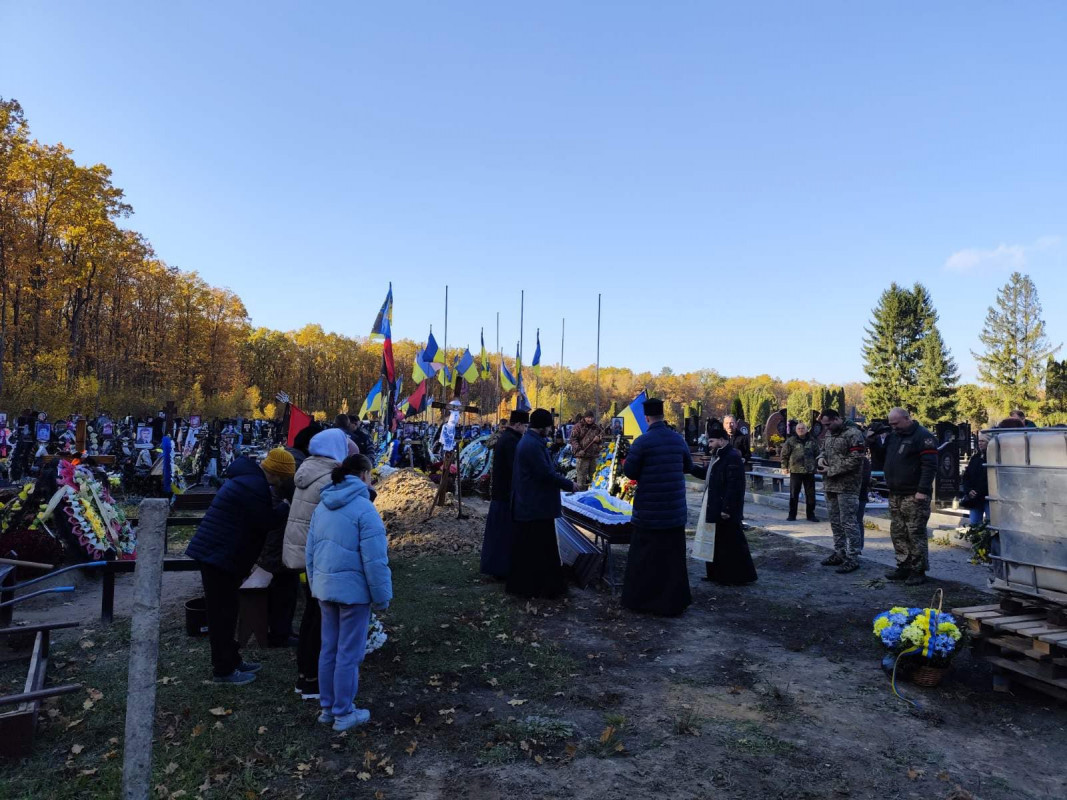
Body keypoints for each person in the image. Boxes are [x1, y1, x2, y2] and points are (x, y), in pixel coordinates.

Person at [186, 448, 295, 684]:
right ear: (276, 475)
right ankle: (223, 670)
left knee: (229, 610)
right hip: (218, 556)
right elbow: (265, 522)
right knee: (221, 615)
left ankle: (233, 659)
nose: (283, 483)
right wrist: (285, 506)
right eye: (285, 478)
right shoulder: (255, 487)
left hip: (221, 554)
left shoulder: (249, 480)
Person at [305, 454, 392, 732]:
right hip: (354, 594)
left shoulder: (322, 506)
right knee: (348, 654)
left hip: (325, 589)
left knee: (328, 648)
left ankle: (328, 708)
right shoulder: (365, 509)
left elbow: (310, 551)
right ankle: (344, 712)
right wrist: (382, 597)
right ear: (365, 475)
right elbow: (375, 560)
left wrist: (315, 584)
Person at [283, 428, 350, 700]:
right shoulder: (329, 477)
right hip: (320, 556)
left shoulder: (308, 469)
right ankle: (312, 679)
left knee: (312, 615)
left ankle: (305, 676)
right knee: (319, 619)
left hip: (304, 554)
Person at [620, 398, 696, 615]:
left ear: (646, 418)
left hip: (650, 512)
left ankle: (643, 601)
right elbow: (688, 466)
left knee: (646, 559)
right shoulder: (677, 439)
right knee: (672, 560)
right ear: (663, 416)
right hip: (673, 511)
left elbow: (631, 472)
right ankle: (673, 603)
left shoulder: (642, 442)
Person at [507, 408, 576, 599]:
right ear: (543, 427)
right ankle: (539, 587)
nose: (550, 431)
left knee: (535, 549)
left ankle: (536, 586)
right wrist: (571, 484)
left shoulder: (532, 441)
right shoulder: (531, 445)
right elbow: (545, 474)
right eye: (549, 427)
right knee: (538, 551)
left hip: (533, 504)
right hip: (534, 506)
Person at [693, 424, 757, 585]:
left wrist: (727, 509)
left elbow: (734, 486)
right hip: (714, 505)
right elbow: (706, 474)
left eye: (712, 441)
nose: (709, 445)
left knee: (731, 544)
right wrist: (688, 466)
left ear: (722, 440)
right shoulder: (718, 456)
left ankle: (737, 577)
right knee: (716, 542)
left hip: (726, 509)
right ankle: (716, 574)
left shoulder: (731, 457)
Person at [882, 407, 938, 585]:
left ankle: (918, 570)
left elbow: (929, 466)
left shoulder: (923, 437)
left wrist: (922, 490)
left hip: (914, 494)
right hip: (896, 493)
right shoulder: (895, 436)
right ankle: (903, 565)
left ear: (907, 419)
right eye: (891, 424)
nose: (893, 427)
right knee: (897, 531)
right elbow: (884, 457)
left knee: (915, 533)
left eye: (896, 424)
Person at [480, 410, 528, 579]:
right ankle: (500, 569)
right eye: (525, 426)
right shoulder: (510, 441)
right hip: (505, 493)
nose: (526, 429)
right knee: (502, 533)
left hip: (501, 492)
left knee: (499, 533)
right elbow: (515, 467)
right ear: (518, 424)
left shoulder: (508, 438)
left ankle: (498, 567)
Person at [817, 409, 865, 574]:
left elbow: (856, 460)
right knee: (835, 522)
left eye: (829, 424)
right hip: (830, 485)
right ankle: (839, 552)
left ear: (837, 418)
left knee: (849, 522)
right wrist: (821, 459)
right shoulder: (830, 434)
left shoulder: (854, 434)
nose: (827, 428)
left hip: (847, 486)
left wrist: (830, 469)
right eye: (824, 425)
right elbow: (823, 450)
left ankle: (853, 557)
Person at [780, 422, 818, 522]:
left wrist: (818, 466)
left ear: (806, 430)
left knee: (810, 494)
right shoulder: (791, 441)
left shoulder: (812, 440)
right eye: (799, 428)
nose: (801, 430)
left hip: (809, 471)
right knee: (794, 494)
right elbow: (784, 455)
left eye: (803, 428)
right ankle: (792, 515)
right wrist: (784, 467)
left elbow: (818, 454)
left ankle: (811, 515)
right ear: (796, 430)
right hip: (795, 470)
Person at [961, 433, 990, 526]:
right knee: (974, 524)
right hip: (974, 498)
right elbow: (967, 476)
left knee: (991, 524)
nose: (980, 443)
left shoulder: (992, 458)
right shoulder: (975, 458)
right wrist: (968, 490)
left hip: (987, 497)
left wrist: (978, 491)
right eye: (979, 441)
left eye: (983, 441)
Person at [570, 411, 602, 491]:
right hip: (582, 456)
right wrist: (579, 450)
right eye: (588, 418)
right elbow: (573, 439)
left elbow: (602, 437)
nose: (590, 420)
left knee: (594, 478)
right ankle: (580, 496)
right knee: (581, 480)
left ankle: (593, 495)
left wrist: (599, 439)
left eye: (591, 418)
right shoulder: (578, 427)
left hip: (594, 457)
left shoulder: (596, 427)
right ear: (584, 418)